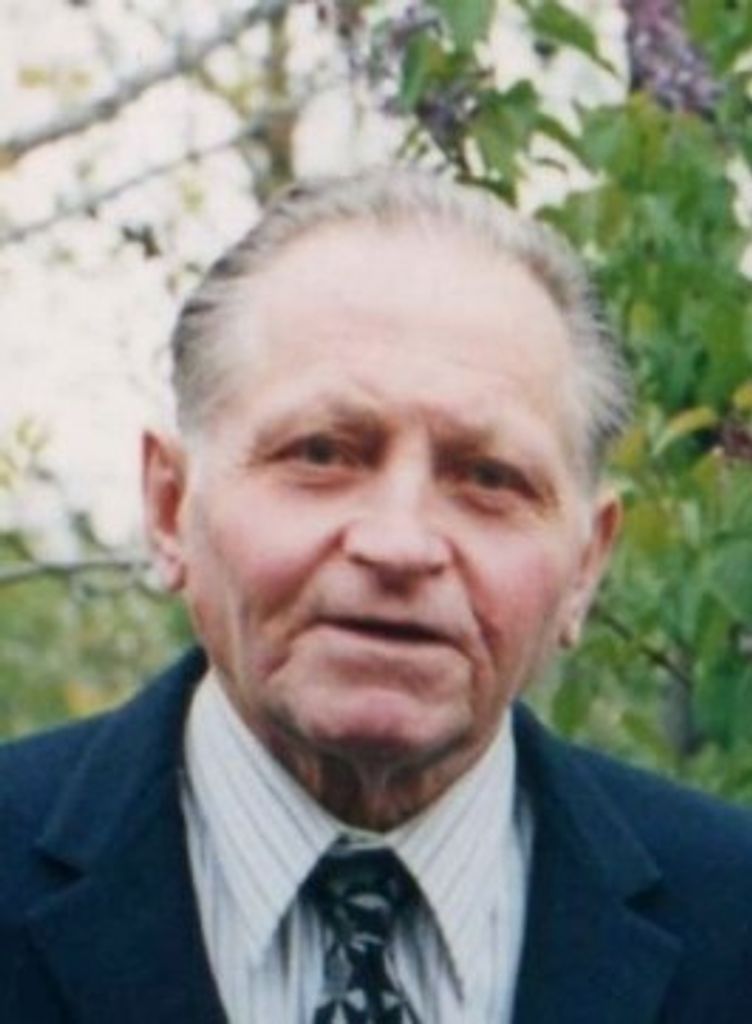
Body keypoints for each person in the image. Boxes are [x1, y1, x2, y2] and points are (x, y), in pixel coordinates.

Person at [2, 169, 752, 1024]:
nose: (400, 545)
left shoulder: (733, 923)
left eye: (489, 478)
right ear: (171, 507)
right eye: (322, 454)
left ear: (585, 565)